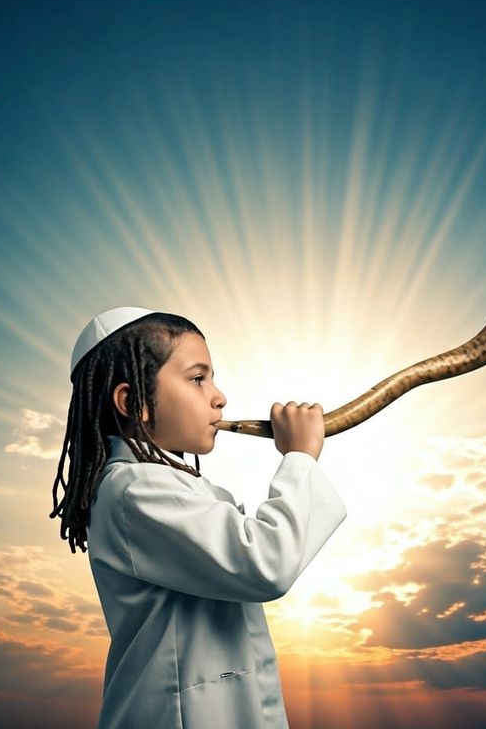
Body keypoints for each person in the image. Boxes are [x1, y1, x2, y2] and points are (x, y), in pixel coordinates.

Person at [52, 307, 345, 729]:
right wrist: (299, 458)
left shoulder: (165, 486)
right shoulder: (133, 490)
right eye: (197, 378)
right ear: (134, 402)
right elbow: (265, 564)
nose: (219, 396)